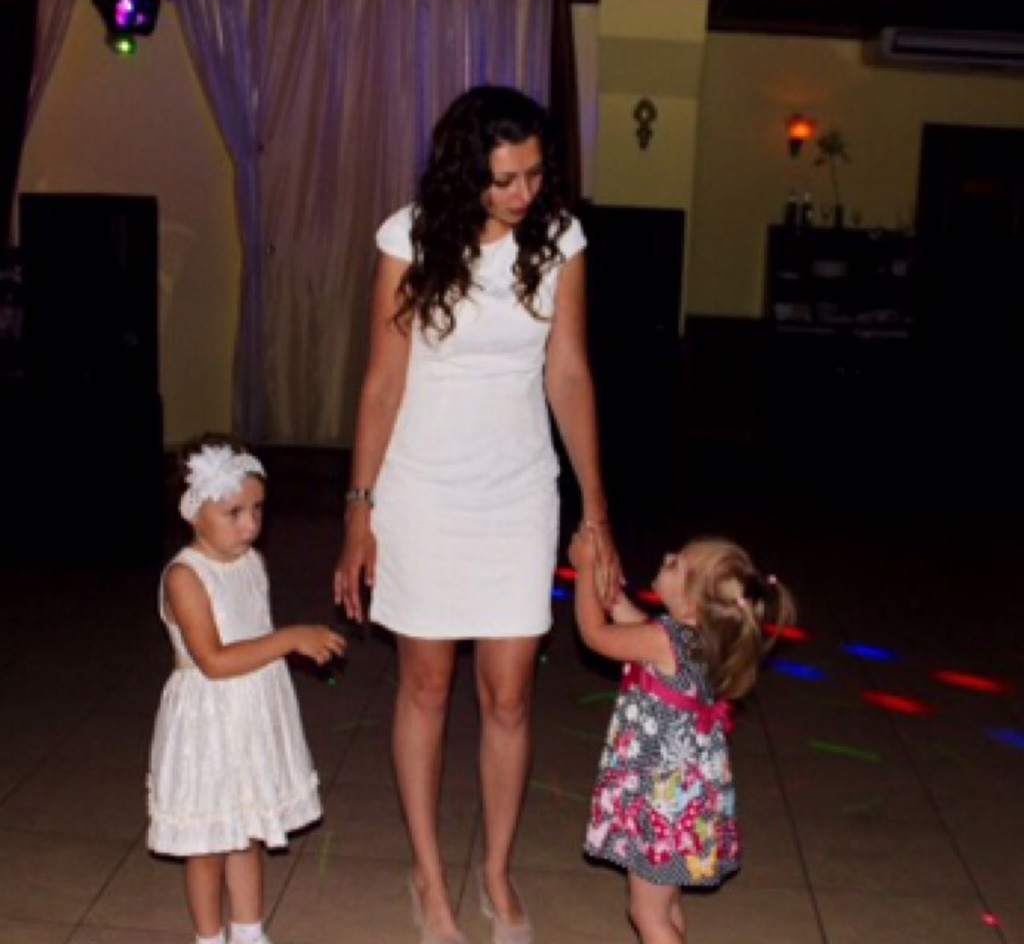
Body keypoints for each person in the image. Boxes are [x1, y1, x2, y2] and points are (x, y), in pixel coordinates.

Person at [334, 85, 621, 944]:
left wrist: (596, 509)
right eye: (505, 179)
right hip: (422, 489)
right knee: (426, 684)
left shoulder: (561, 239)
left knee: (510, 694)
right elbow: (382, 384)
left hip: (519, 490)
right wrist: (359, 511)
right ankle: (429, 878)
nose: (525, 192)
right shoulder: (409, 237)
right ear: (468, 174)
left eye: (535, 174)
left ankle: (495, 870)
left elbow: (568, 373)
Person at [148, 435, 345, 944]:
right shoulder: (185, 578)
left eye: (257, 509)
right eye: (233, 512)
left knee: (247, 829)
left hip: (252, 712)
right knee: (208, 841)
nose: (251, 525)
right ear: (193, 513)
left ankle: (250, 931)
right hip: (208, 721)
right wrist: (289, 640)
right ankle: (209, 937)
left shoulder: (252, 562)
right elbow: (213, 660)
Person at [570, 531, 795, 944]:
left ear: (690, 604)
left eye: (677, 565)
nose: (669, 555)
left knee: (645, 912)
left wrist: (584, 569)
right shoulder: (701, 638)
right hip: (683, 800)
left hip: (661, 801)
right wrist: (611, 591)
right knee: (666, 904)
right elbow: (633, 623)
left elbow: (596, 635)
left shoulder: (664, 641)